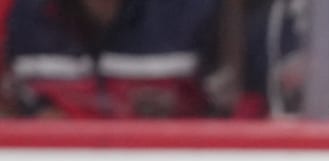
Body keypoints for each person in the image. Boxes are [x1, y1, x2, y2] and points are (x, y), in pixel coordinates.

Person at [5, 0, 243, 117]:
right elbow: (12, 102)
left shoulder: (195, 10)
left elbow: (239, 115)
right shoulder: (24, 14)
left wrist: (177, 123)